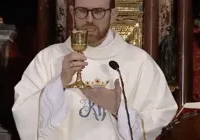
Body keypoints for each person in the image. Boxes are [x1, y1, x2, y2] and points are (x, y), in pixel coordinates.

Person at [12, 0, 178, 139]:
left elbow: (163, 123)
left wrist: (117, 109)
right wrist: (59, 83)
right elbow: (23, 115)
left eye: (98, 11)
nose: (89, 19)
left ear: (113, 15)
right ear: (72, 12)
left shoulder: (139, 62)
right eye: (82, 11)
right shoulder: (48, 59)